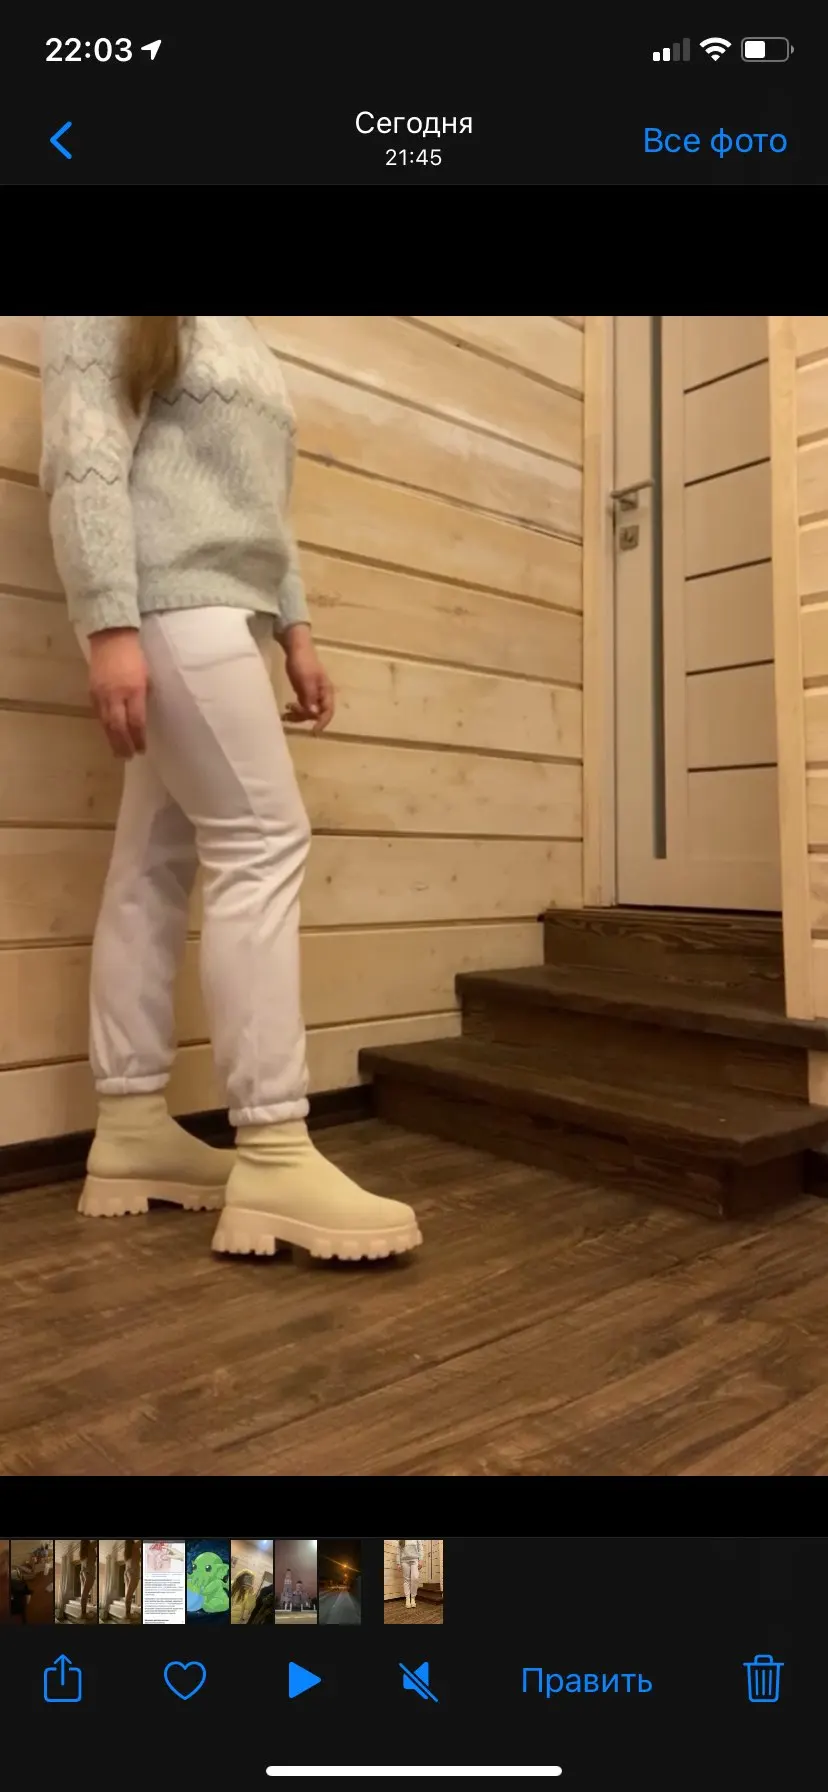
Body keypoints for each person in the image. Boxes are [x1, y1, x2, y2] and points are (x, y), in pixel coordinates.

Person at [39, 316, 423, 1266]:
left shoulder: (239, 332)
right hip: (170, 608)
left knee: (153, 865)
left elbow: (260, 506)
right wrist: (108, 626)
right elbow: (84, 460)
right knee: (262, 842)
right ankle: (274, 1149)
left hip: (228, 615)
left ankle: (130, 1126)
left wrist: (296, 631)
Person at [397, 1539, 424, 1609]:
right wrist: (398, 1563)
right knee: (406, 1580)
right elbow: (398, 1551)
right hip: (404, 1561)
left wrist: (421, 1560)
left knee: (415, 1578)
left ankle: (413, 1598)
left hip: (415, 1560)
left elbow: (420, 1549)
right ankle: (407, 1599)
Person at [79, 1539, 97, 1621]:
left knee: (84, 1593)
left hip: (83, 1572)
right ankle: (83, 1614)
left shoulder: (82, 1551)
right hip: (89, 1571)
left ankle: (83, 1613)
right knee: (85, 1594)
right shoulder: (90, 1546)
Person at [123, 1539, 139, 1622]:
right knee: (129, 1595)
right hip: (133, 1572)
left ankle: (127, 1613)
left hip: (127, 1572)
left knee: (128, 1594)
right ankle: (127, 1614)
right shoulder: (135, 1546)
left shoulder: (126, 1552)